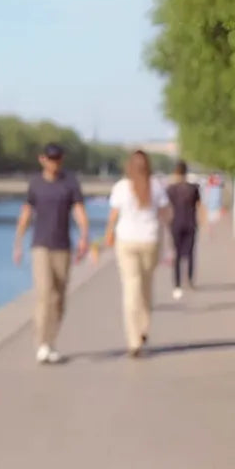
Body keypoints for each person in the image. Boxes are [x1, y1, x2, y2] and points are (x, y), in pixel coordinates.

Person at [12, 143, 89, 364]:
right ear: (42, 159)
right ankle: (42, 343)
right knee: (44, 293)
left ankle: (51, 341)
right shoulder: (35, 184)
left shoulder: (70, 183)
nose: (54, 163)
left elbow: (78, 210)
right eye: (50, 158)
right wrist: (18, 242)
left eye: (58, 159)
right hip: (41, 246)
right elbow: (27, 212)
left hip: (63, 246)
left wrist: (84, 236)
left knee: (59, 298)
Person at [105, 150, 170, 358]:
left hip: (127, 241)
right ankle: (143, 329)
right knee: (146, 288)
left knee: (131, 288)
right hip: (150, 240)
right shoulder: (157, 186)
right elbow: (166, 213)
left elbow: (114, 215)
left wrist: (109, 235)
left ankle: (133, 340)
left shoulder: (121, 187)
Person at [166, 160, 201, 298]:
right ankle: (190, 279)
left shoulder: (171, 189)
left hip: (176, 224)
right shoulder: (193, 188)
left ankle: (177, 283)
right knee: (191, 253)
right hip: (191, 223)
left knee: (177, 254)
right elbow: (199, 205)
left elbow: (167, 208)